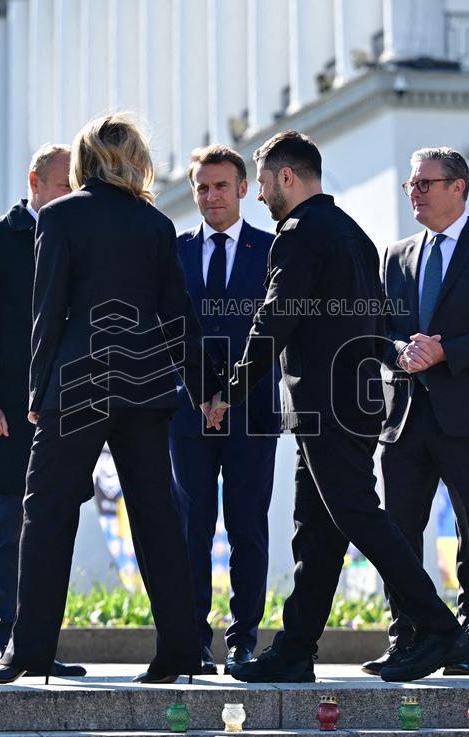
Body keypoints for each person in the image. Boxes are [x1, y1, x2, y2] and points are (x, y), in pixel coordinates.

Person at [212, 131, 469, 683]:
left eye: (261, 183)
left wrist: (231, 391)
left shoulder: (300, 234)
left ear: (287, 177)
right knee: (317, 527)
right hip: (352, 396)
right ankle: (296, 649)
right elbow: (376, 319)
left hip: (328, 400)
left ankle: (441, 630)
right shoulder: (353, 232)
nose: (259, 196)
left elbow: (275, 319)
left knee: (354, 514)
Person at [0, 114, 221, 686]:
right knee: (157, 517)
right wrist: (207, 387)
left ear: (85, 160)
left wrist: (37, 390)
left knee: (47, 514)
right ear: (135, 159)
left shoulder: (59, 216)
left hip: (78, 384)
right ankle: (181, 651)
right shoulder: (156, 224)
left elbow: (48, 311)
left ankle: (28, 651)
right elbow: (177, 314)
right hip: (147, 386)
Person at [365, 147, 469, 678]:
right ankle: (406, 636)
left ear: (458, 187)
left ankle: (466, 637)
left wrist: (445, 351)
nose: (415, 192)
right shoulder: (395, 254)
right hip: (405, 415)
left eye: (425, 184)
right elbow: (378, 330)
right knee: (398, 530)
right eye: (411, 185)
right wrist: (399, 352)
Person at [0, 144, 85, 678]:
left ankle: (40, 643)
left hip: (63, 409)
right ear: (35, 181)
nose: (69, 198)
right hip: (3, 412)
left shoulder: (78, 240)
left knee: (51, 527)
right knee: (8, 526)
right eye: (61, 186)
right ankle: (12, 641)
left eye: (76, 189)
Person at [170, 144, 279, 676]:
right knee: (191, 528)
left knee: (247, 528)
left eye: (220, 186)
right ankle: (192, 640)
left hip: (253, 410)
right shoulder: (175, 250)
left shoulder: (274, 248)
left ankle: (243, 640)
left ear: (242, 188)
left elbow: (275, 332)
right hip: (188, 413)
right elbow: (170, 332)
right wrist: (204, 396)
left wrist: (230, 394)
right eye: (202, 187)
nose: (211, 196)